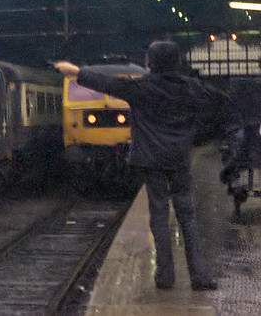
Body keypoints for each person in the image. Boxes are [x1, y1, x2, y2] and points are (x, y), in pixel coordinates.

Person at [53, 41, 222, 291]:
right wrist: (192, 131)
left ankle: (165, 276)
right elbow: (219, 106)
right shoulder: (193, 89)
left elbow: (107, 84)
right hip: (179, 159)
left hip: (152, 160)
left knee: (159, 216)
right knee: (188, 216)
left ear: (151, 63)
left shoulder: (141, 89)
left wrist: (75, 72)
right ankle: (200, 276)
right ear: (176, 62)